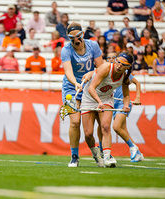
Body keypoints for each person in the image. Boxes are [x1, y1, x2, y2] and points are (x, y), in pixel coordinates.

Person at [61, 22, 103, 167]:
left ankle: (100, 152)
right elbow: (68, 72)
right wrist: (75, 83)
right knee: (74, 122)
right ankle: (74, 156)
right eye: (72, 39)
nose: (75, 42)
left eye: (77, 38)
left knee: (92, 128)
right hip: (72, 88)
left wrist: (91, 73)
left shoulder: (93, 46)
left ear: (82, 35)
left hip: (90, 86)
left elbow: (101, 67)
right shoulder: (66, 50)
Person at [81, 52, 133, 167]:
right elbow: (91, 88)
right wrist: (98, 102)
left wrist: (126, 105)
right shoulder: (106, 68)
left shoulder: (125, 77)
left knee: (105, 127)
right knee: (88, 133)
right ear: (115, 60)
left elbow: (126, 96)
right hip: (89, 97)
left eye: (123, 64)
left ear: (128, 67)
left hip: (106, 98)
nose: (119, 65)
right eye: (118, 62)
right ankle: (96, 154)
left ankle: (107, 156)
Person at [111, 59, 144, 162]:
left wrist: (138, 97)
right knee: (124, 130)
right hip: (113, 104)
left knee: (116, 127)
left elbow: (137, 83)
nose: (111, 60)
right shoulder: (107, 72)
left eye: (113, 58)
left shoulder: (123, 73)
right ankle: (138, 153)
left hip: (123, 103)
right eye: (109, 59)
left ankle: (133, 148)